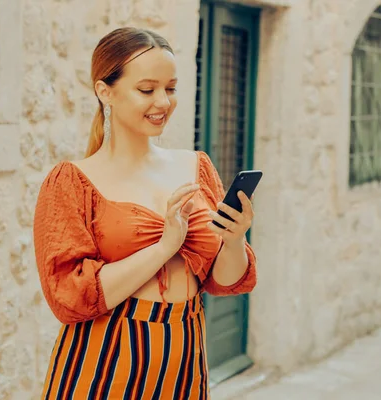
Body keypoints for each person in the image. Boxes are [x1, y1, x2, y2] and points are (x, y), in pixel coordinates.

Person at [33, 27, 257, 399]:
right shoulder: (72, 181)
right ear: (105, 91)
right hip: (106, 357)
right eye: (146, 89)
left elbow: (224, 281)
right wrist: (164, 247)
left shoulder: (196, 167)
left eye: (170, 89)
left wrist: (234, 241)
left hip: (184, 355)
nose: (163, 103)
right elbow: (69, 296)